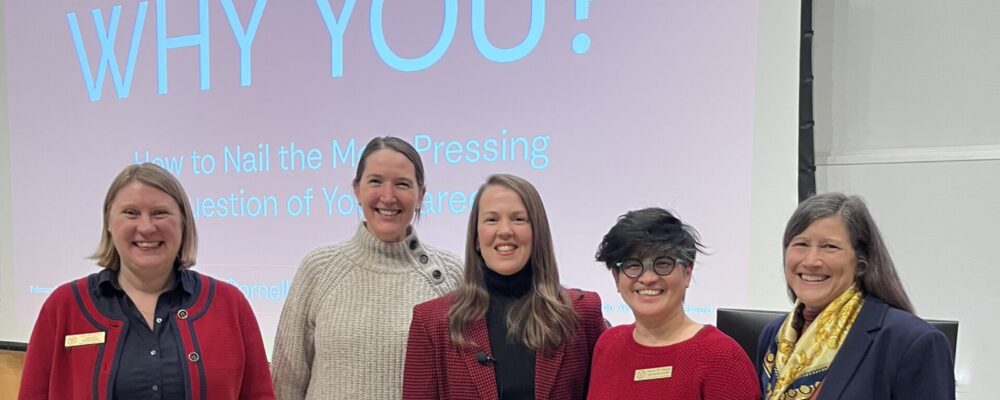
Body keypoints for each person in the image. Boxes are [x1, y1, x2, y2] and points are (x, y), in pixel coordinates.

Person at [18, 163, 274, 399]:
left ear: (183, 223)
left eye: (160, 213)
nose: (147, 227)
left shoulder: (229, 304)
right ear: (109, 223)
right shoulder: (64, 306)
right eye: (131, 213)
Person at [271, 136, 463, 399]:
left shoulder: (451, 275)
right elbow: (285, 383)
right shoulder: (319, 268)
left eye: (402, 184)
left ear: (421, 195)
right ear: (357, 190)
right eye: (375, 181)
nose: (388, 196)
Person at [403, 174, 606, 400]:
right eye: (491, 220)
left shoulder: (582, 313)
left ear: (537, 232)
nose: (505, 230)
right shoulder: (431, 321)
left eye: (519, 219)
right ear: (477, 238)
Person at [757, 192, 955, 399]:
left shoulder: (913, 342)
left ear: (861, 262)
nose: (811, 260)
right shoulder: (774, 334)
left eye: (829, 247)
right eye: (801, 244)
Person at [588, 207, 759, 399]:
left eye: (662, 264)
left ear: (687, 272)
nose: (648, 278)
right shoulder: (608, 344)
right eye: (633, 265)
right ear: (616, 278)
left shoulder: (722, 357)